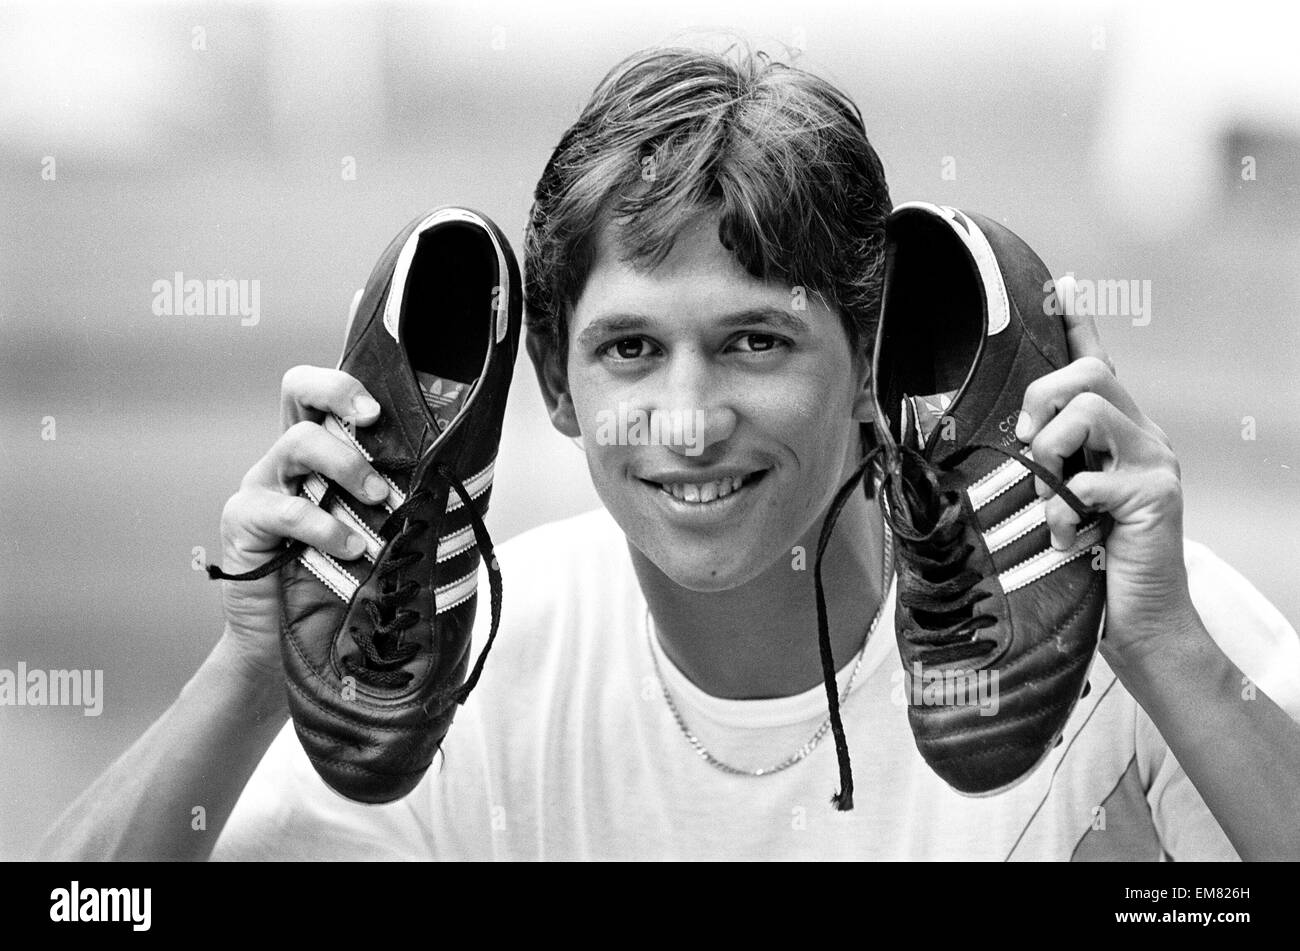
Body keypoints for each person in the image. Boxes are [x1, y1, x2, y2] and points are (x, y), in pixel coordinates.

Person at [40, 43, 1300, 861]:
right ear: (553, 385)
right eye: (631, 351)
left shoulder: (1136, 635)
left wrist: (1168, 653)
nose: (688, 421)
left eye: (754, 343)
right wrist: (247, 675)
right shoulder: (463, 687)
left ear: (869, 368)